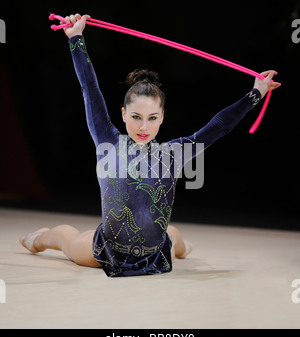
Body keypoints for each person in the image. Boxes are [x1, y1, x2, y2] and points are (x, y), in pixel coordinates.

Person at [20, 14, 281, 277]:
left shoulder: (173, 154)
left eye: (152, 118)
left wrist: (256, 92)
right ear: (123, 114)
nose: (143, 127)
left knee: (173, 238)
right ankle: (39, 238)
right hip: (106, 252)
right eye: (136, 117)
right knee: (67, 240)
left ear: (162, 118)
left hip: (156, 255)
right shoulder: (107, 140)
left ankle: (181, 246)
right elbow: (90, 88)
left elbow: (219, 126)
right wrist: (76, 38)